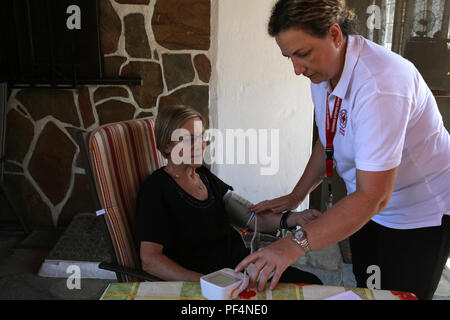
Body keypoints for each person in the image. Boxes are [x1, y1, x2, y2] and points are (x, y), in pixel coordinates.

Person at [235, 0, 450, 300]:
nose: (297, 69)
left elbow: (374, 196)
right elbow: (329, 139)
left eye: (303, 54)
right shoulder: (323, 72)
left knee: (397, 295)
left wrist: (293, 245)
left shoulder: (380, 85)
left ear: (335, 35)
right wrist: (295, 197)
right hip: (368, 207)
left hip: (417, 214)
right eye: (289, 58)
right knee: (368, 286)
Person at [135, 104, 322, 285]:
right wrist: (205, 282)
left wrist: (295, 218)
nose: (200, 145)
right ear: (167, 146)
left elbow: (252, 218)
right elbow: (150, 261)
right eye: (188, 139)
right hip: (211, 282)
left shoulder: (205, 177)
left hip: (241, 269)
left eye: (201, 137)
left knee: (311, 284)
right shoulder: (155, 190)